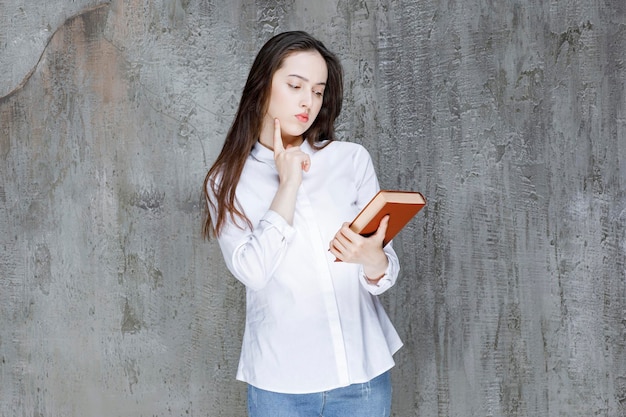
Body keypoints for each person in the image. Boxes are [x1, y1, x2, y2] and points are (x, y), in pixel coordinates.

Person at [203, 31, 403, 417]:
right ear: (263, 86)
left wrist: (373, 260)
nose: (307, 102)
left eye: (317, 90)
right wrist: (289, 184)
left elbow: (385, 271)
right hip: (280, 386)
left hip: (361, 379)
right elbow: (253, 272)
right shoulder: (225, 181)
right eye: (295, 85)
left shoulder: (351, 160)